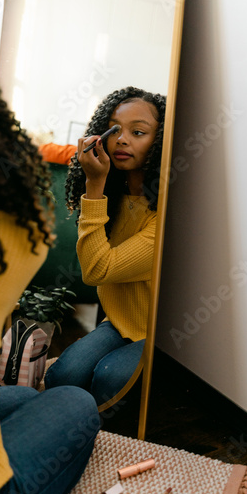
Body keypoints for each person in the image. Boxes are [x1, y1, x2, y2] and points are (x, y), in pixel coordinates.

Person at [0, 35, 100, 494]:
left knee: (11, 397)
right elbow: (25, 155)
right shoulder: (19, 233)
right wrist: (92, 179)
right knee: (73, 401)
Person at [45, 86, 166, 405]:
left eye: (138, 132)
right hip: (117, 321)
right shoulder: (115, 199)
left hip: (158, 335)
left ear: (162, 141)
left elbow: (98, 271)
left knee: (109, 378)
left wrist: (93, 186)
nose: (122, 139)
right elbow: (91, 267)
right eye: (115, 130)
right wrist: (98, 189)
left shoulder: (167, 215)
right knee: (61, 376)